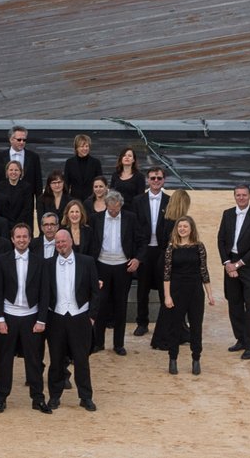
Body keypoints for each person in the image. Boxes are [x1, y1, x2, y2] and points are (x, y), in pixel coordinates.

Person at [0, 221, 47, 414]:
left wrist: (41, 319)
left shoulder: (39, 261)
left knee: (34, 360)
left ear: (30, 239)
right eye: (18, 237)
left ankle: (38, 398)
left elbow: (44, 292)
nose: (21, 240)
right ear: (12, 239)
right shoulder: (2, 260)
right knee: (4, 360)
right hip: (8, 315)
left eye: (25, 236)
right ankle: (1, 398)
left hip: (31, 316)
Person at [152, 214, 215, 375]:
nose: (182, 229)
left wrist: (210, 294)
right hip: (176, 290)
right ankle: (173, 359)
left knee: (196, 326)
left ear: (191, 228)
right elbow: (166, 274)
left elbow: (204, 271)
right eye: (180, 226)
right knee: (175, 326)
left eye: (185, 226)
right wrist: (167, 296)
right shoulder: (171, 248)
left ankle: (196, 359)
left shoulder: (199, 246)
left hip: (195, 290)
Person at [44, 227, 98, 412]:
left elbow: (95, 292)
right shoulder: (48, 264)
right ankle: (54, 396)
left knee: (82, 360)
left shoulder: (87, 262)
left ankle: (86, 397)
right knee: (56, 360)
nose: (60, 245)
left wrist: (91, 316)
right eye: (57, 242)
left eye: (63, 241)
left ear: (71, 242)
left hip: (79, 317)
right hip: (56, 318)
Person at [125, 166, 176, 336]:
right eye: (153, 178)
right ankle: (142, 322)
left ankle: (166, 322)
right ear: (147, 180)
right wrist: (137, 252)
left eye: (159, 178)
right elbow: (134, 226)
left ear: (164, 180)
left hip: (161, 250)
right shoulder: (138, 200)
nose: (156, 181)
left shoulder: (170, 201)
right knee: (143, 289)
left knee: (164, 289)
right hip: (144, 251)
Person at [218, 183, 250, 359]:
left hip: (248, 266)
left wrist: (237, 265)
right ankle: (240, 339)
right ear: (234, 196)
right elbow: (221, 239)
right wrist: (227, 263)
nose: (241, 198)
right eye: (238, 195)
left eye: (244, 195)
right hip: (230, 264)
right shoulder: (227, 214)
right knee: (234, 303)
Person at [90, 189, 132, 355]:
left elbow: (140, 240)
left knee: (121, 305)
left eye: (117, 208)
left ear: (121, 205)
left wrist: (136, 259)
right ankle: (98, 342)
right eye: (111, 208)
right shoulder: (96, 219)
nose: (114, 212)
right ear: (105, 205)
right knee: (100, 305)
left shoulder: (130, 218)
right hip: (102, 265)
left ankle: (118, 344)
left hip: (123, 266)